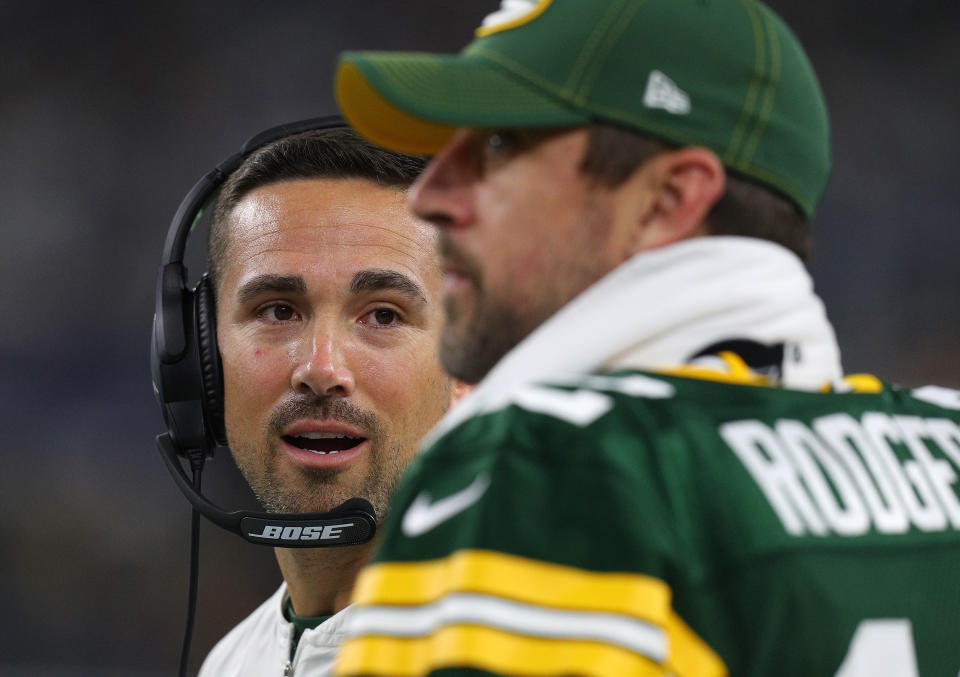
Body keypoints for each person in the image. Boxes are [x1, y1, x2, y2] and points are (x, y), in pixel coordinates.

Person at [330, 1, 960, 675]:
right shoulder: (944, 445)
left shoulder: (551, 463)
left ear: (666, 200)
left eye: (496, 146)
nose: (428, 193)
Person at [195, 126, 464, 676]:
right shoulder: (230, 662)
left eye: (383, 315)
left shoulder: (558, 650)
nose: (321, 369)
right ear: (196, 357)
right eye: (278, 311)